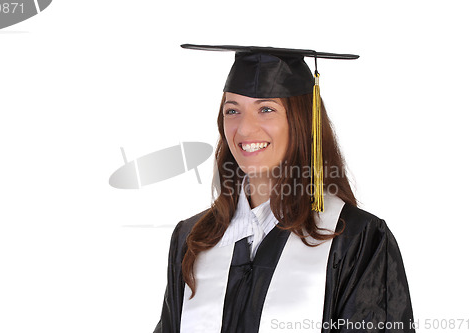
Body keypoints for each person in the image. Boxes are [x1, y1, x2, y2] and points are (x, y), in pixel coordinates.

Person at [153, 44, 415, 333]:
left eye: (266, 109)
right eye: (232, 110)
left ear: (302, 121)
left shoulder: (357, 239)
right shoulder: (194, 238)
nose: (244, 129)